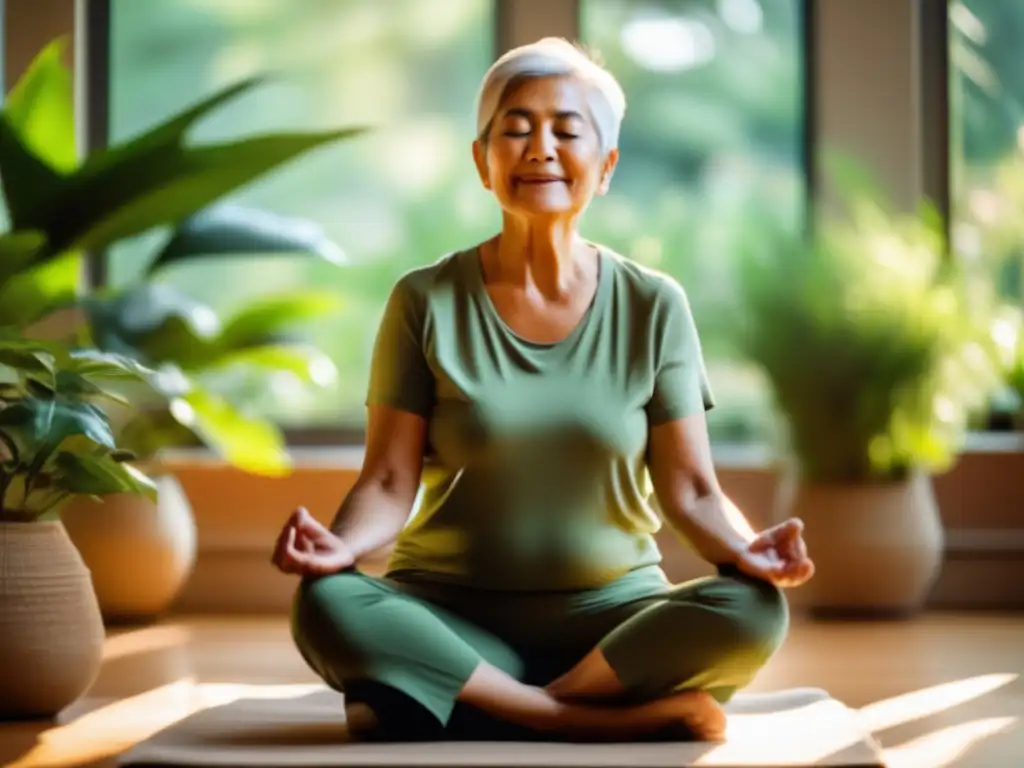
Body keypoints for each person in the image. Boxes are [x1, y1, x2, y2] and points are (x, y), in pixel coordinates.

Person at [271, 37, 815, 744]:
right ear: (482, 160)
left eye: (566, 130)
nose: (540, 148)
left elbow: (694, 491)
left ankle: (467, 703)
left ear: (607, 165)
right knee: (325, 604)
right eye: (516, 129)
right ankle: (571, 718)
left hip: (612, 629)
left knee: (755, 610)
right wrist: (336, 550)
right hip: (449, 614)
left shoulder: (654, 305)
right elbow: (386, 478)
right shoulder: (424, 300)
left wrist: (751, 551)